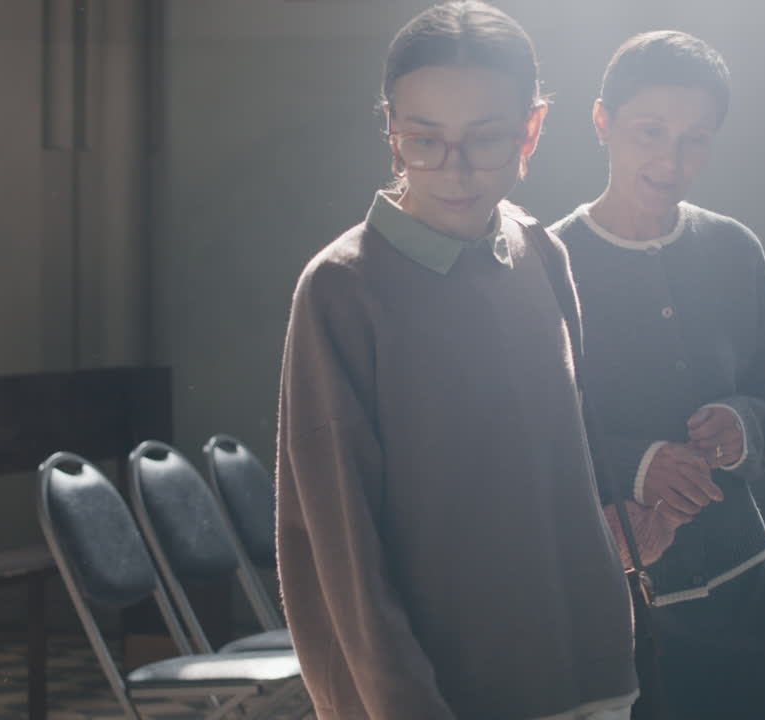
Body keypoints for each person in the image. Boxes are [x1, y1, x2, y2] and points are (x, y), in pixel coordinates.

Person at [274, 3, 681, 718]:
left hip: (592, 678)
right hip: (442, 695)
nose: (453, 169)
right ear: (392, 131)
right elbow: (342, 556)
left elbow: (567, 469)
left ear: (532, 128)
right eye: (424, 139)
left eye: (485, 138)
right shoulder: (342, 288)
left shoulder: (540, 252)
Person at [548, 31, 765, 719]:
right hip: (616, 593)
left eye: (695, 137)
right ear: (602, 123)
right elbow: (534, 433)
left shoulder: (733, 248)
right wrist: (637, 466)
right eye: (649, 131)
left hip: (741, 581)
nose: (671, 159)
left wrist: (742, 426)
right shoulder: (547, 262)